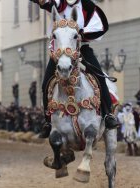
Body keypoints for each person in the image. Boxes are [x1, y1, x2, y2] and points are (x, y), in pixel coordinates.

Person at [30, 0, 119, 138]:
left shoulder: (87, 6)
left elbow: (100, 26)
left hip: (81, 48)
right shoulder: (59, 3)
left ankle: (108, 115)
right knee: (45, 83)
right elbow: (48, 2)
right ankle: (48, 121)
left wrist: (81, 34)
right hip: (60, 52)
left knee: (100, 78)